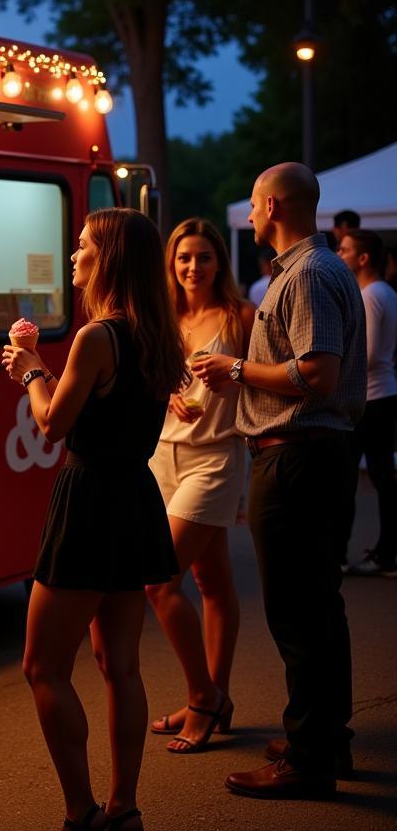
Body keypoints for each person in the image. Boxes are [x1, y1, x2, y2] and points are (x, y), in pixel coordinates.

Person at [3, 208, 185, 831]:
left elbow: (53, 424)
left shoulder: (97, 336)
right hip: (134, 496)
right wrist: (45, 375)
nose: (74, 256)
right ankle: (124, 805)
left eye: (82, 247)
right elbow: (93, 411)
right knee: (121, 665)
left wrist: (29, 369)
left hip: (87, 503)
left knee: (43, 666)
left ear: (106, 258)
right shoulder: (157, 335)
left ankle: (80, 811)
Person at [193, 162, 365, 800]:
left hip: (297, 454)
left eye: (256, 205)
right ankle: (324, 738)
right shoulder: (311, 271)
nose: (253, 214)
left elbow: (317, 372)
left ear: (269, 205)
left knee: (299, 611)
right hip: (309, 453)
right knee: (318, 606)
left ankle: (309, 758)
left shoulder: (311, 274)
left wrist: (235, 367)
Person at [146, 219, 254, 753]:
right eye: (184, 257)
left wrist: (235, 372)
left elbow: (266, 380)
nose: (193, 267)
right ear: (172, 263)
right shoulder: (163, 318)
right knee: (212, 582)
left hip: (215, 457)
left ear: (220, 263)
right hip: (162, 455)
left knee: (159, 581)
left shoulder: (240, 317)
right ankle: (220, 696)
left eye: (204, 257)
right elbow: (149, 377)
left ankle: (202, 696)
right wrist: (162, 391)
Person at [336, 229, 397, 576]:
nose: (338, 254)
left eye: (344, 250)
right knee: (379, 477)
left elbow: (368, 352)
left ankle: (346, 554)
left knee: (350, 479)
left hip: (370, 399)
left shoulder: (372, 294)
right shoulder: (383, 291)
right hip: (380, 395)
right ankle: (385, 553)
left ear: (362, 258)